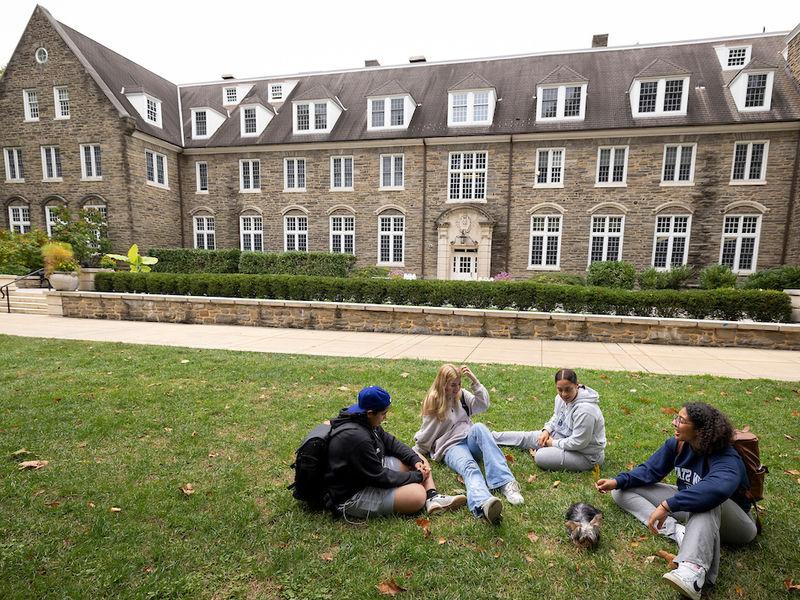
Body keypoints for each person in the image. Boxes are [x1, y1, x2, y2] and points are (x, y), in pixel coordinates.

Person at [595, 402, 757, 600]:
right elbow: (650, 470)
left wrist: (667, 505)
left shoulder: (726, 455)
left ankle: (692, 572)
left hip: (737, 524)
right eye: (676, 418)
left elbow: (716, 489)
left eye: (681, 420)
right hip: (691, 507)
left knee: (705, 500)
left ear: (700, 429)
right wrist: (618, 481)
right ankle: (681, 533)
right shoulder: (679, 444)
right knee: (621, 492)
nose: (674, 423)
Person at [325, 385, 466, 522]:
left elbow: (390, 442)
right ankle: (425, 495)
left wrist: (414, 460)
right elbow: (379, 477)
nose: (385, 418)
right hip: (353, 493)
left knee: (418, 457)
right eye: (383, 414)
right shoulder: (358, 439)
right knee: (417, 495)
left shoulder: (363, 418)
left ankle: (432, 497)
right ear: (369, 413)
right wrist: (416, 476)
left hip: (368, 473)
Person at [413, 364, 523, 525]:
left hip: (470, 438)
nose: (457, 388)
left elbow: (483, 405)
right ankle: (483, 503)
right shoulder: (435, 401)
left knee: (479, 427)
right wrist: (416, 452)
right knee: (470, 467)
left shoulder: (461, 395)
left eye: (459, 383)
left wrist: (475, 382)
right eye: (453, 385)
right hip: (451, 447)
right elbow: (427, 432)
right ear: (443, 384)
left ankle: (505, 483)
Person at [492, 368, 605, 472]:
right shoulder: (560, 398)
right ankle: (490, 436)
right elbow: (556, 417)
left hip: (585, 455)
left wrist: (553, 443)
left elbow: (579, 442)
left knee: (541, 456)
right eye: (560, 390)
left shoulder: (585, 411)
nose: (564, 394)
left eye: (568, 389)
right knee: (528, 437)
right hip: (563, 437)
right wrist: (547, 430)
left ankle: (550, 450)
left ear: (576, 385)